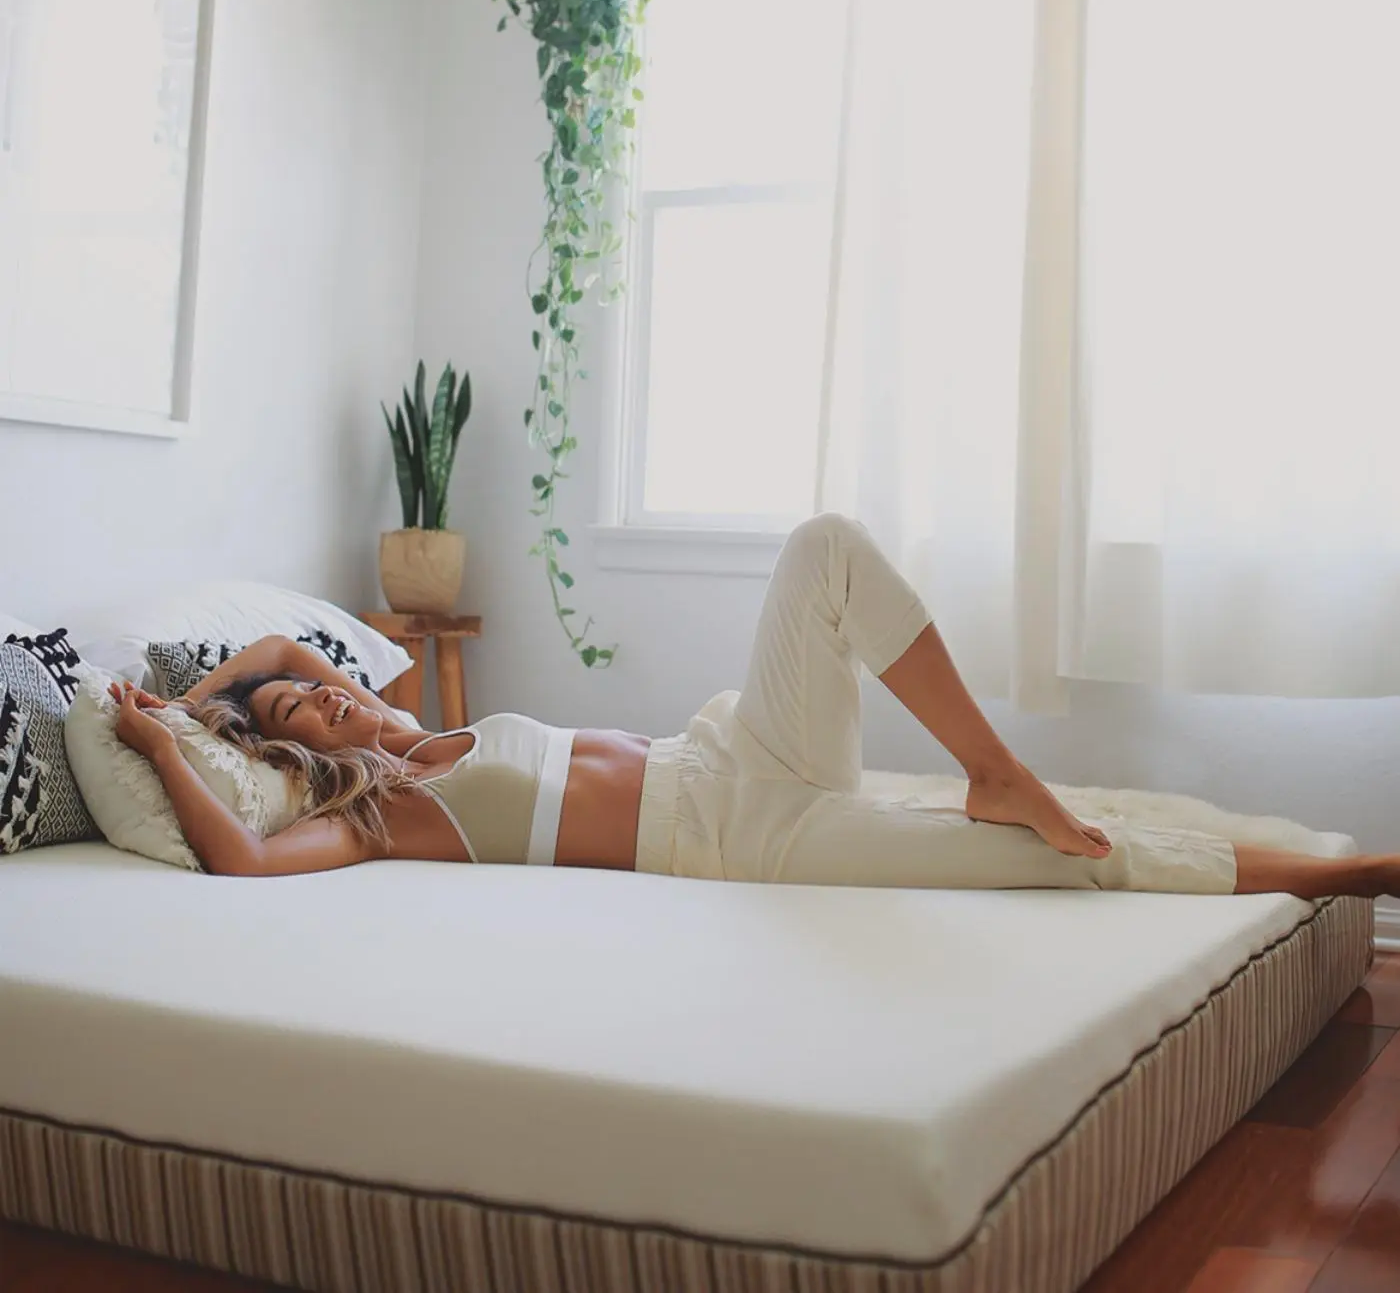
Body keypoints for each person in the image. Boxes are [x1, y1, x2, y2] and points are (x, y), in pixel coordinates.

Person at [112, 513, 1398, 900]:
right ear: (301, 757)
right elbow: (240, 853)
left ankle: (994, 761)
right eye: (300, 717)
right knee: (1043, 866)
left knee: (824, 546)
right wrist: (170, 733)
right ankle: (1366, 876)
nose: (323, 700)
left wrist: (231, 682)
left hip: (728, 746)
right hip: (740, 840)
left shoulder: (412, 728)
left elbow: (280, 639)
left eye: (320, 693)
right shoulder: (385, 818)